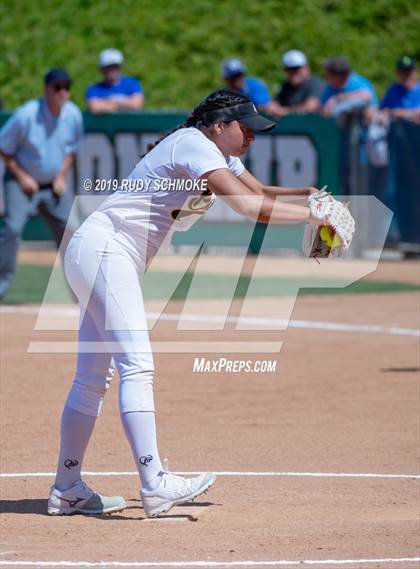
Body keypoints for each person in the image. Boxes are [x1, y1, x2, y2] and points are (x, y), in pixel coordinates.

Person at [48, 89, 332, 518]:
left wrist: (304, 194)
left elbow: (258, 189)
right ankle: (155, 483)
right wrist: (315, 217)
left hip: (96, 251)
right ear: (219, 125)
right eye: (245, 129)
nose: (251, 137)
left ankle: (67, 487)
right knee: (136, 366)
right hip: (106, 250)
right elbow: (247, 205)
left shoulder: (215, 153)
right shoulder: (195, 144)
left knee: (93, 376)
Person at [0, 69, 83, 299]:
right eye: (57, 87)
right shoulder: (26, 115)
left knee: (71, 233)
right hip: (21, 182)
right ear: (46, 89)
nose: (62, 92)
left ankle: (80, 293)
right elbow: (4, 148)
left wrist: (61, 175)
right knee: (12, 229)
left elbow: (72, 150)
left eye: (66, 87)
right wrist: (22, 176)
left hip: (52, 185)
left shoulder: (73, 115)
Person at [86, 48, 144, 114]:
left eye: (115, 66)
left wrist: (109, 102)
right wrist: (125, 104)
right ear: (101, 69)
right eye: (108, 67)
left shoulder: (132, 84)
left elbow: (136, 104)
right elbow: (95, 107)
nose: (112, 70)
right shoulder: (94, 89)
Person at [271, 50, 326, 117]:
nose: (293, 72)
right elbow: (274, 103)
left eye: (297, 68)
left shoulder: (316, 84)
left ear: (306, 68)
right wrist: (273, 108)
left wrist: (284, 111)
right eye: (289, 69)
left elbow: (310, 107)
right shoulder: (286, 86)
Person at [378, 55, 420, 123]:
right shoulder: (393, 90)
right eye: (403, 72)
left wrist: (396, 113)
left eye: (409, 72)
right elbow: (382, 111)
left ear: (416, 72)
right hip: (397, 131)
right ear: (397, 73)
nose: (406, 75)